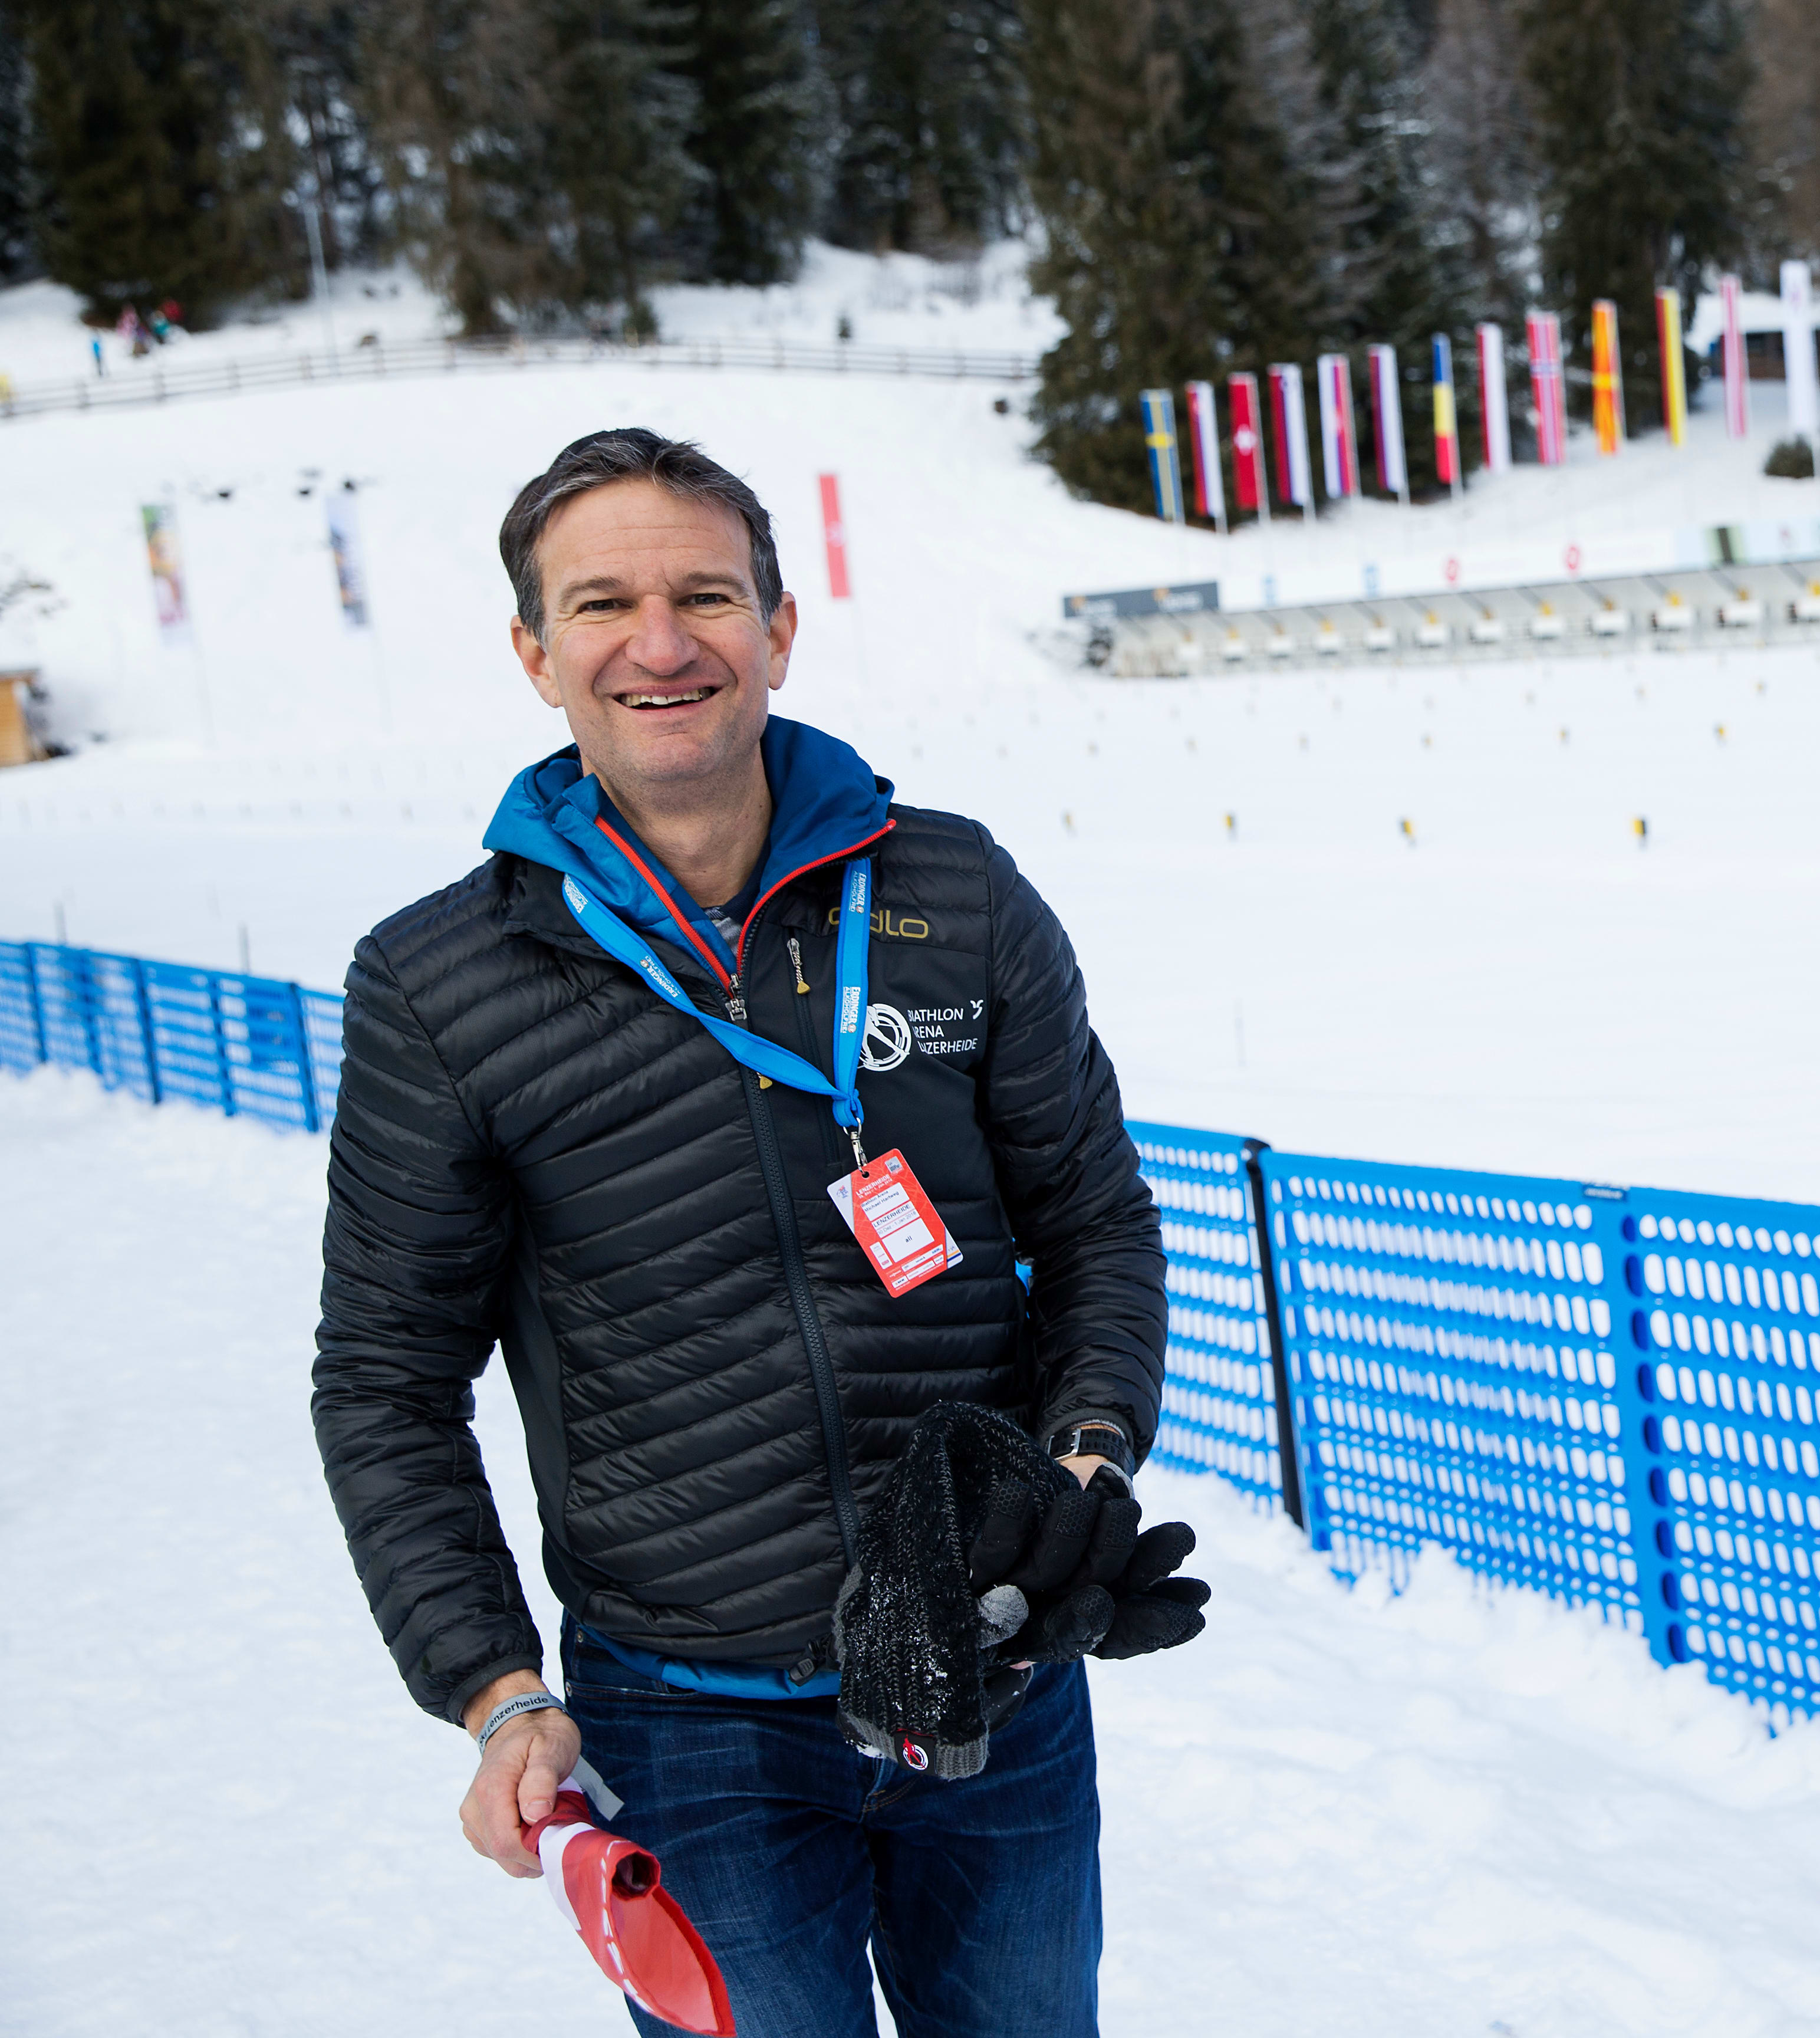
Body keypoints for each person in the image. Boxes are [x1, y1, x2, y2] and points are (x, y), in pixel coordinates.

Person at [311, 427, 1174, 2035]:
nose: (661, 643)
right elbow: (385, 1381)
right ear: (536, 656)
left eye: (705, 595)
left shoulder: (958, 893)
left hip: (992, 1672)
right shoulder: (440, 985)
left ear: (779, 628)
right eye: (602, 604)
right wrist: (495, 1690)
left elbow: (1094, 1219)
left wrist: (1084, 1463)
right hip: (691, 1729)